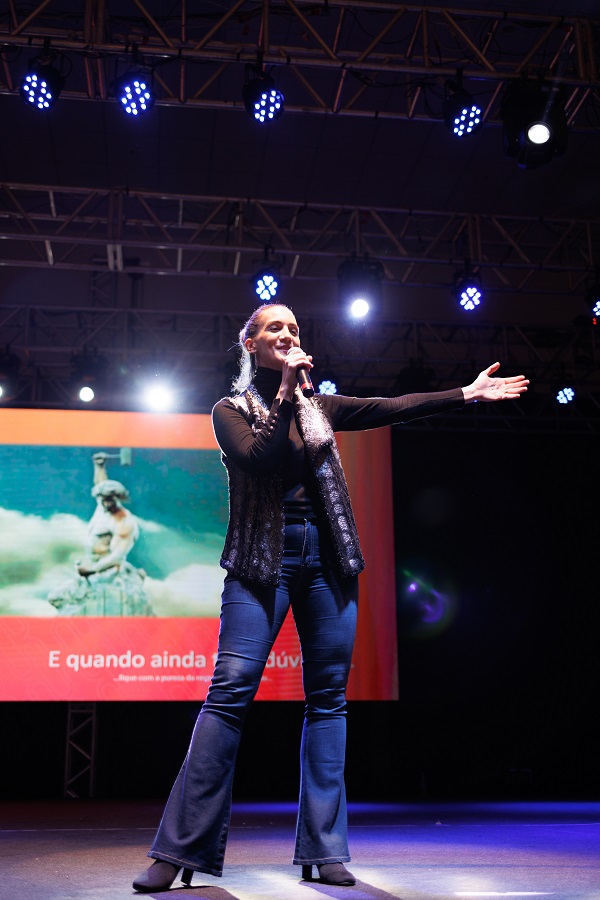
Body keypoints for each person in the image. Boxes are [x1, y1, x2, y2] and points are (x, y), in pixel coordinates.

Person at [132, 302, 528, 892]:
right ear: (251, 345)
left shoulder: (324, 407)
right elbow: (260, 460)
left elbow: (391, 407)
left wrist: (464, 395)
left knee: (328, 702)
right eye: (275, 328)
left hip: (329, 562)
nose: (288, 334)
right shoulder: (230, 411)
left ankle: (325, 849)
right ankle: (180, 850)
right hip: (259, 562)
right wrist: (289, 391)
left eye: (294, 328)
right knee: (230, 692)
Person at [48, 453, 151, 616]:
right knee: (56, 597)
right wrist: (99, 467)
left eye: (110, 499)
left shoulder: (124, 522)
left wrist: (91, 570)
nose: (106, 503)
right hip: (92, 568)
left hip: (107, 574)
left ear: (118, 498)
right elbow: (101, 484)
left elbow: (117, 556)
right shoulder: (102, 508)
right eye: (103, 499)